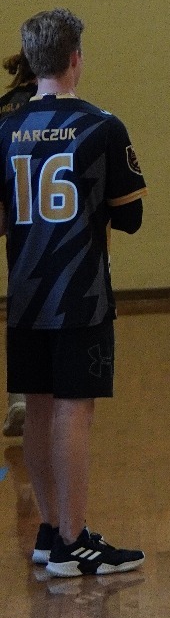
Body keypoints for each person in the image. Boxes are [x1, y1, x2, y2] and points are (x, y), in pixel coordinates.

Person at [0, 8, 146, 576]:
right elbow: (129, 215)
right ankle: (73, 539)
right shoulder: (101, 126)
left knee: (36, 406)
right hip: (79, 293)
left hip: (25, 292)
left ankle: (51, 528)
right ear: (76, 58)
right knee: (72, 411)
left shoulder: (5, 129)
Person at [1, 52, 38, 439]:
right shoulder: (64, 108)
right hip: (58, 225)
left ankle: (20, 398)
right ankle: (54, 403)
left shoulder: (3, 109)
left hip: (16, 225)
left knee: (20, 309)